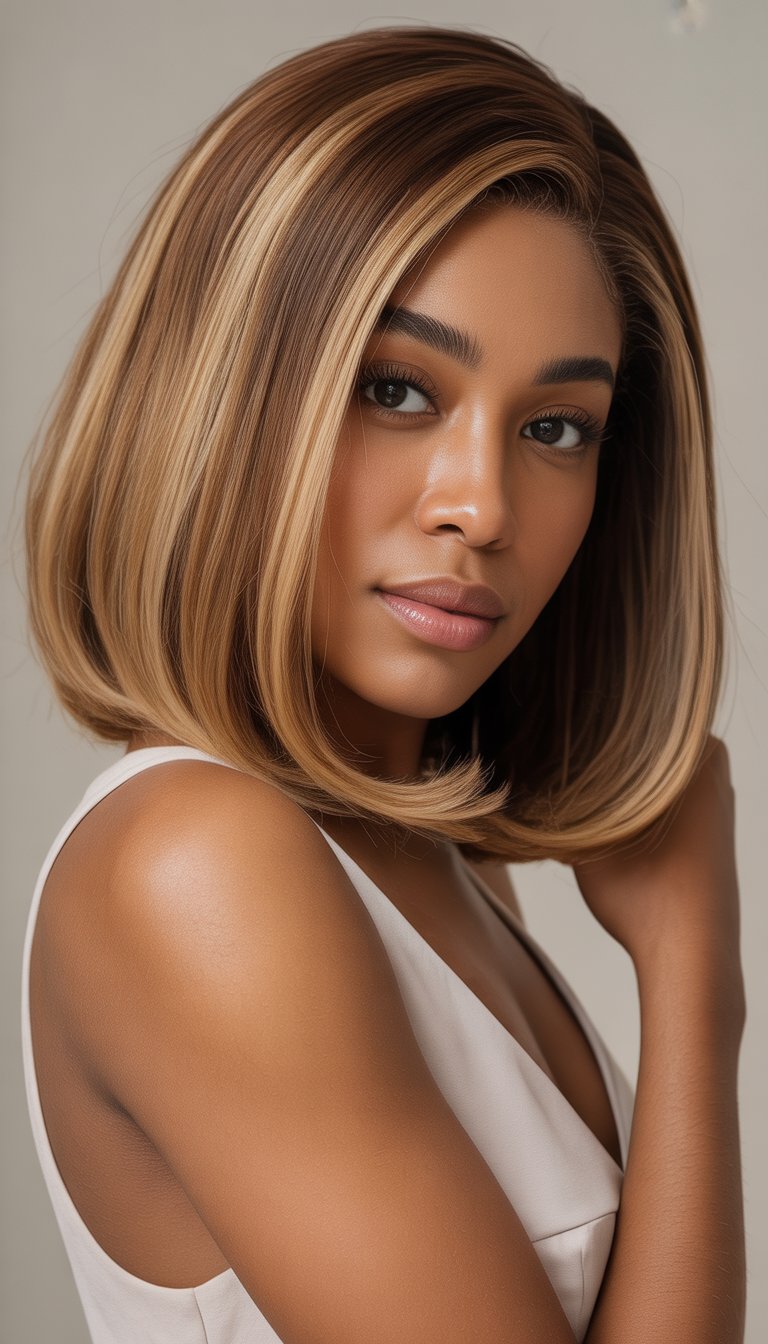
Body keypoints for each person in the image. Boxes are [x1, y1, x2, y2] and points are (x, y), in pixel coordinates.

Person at [20, 23, 746, 1344]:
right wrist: (695, 984)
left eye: (556, 427)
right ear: (224, 395)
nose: (483, 506)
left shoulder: (428, 854)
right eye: (397, 390)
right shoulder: (199, 866)